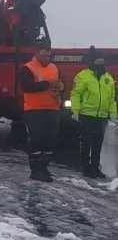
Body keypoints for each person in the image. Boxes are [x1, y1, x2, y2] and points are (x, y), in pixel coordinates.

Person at [19, 41, 63, 182]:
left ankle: (44, 168)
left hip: (52, 108)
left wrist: (61, 87)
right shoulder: (28, 68)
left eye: (49, 55)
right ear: (37, 53)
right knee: (37, 139)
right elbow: (27, 87)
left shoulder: (54, 68)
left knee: (51, 139)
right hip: (35, 109)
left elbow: (61, 83)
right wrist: (48, 84)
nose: (47, 58)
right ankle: (36, 170)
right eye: (44, 55)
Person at [70, 47, 117, 178]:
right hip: (87, 115)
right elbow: (75, 94)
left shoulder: (108, 78)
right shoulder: (83, 75)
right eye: (98, 61)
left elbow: (112, 98)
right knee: (86, 143)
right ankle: (86, 168)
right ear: (92, 62)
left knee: (98, 143)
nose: (101, 63)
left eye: (103, 61)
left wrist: (113, 113)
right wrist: (75, 110)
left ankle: (95, 168)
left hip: (101, 117)